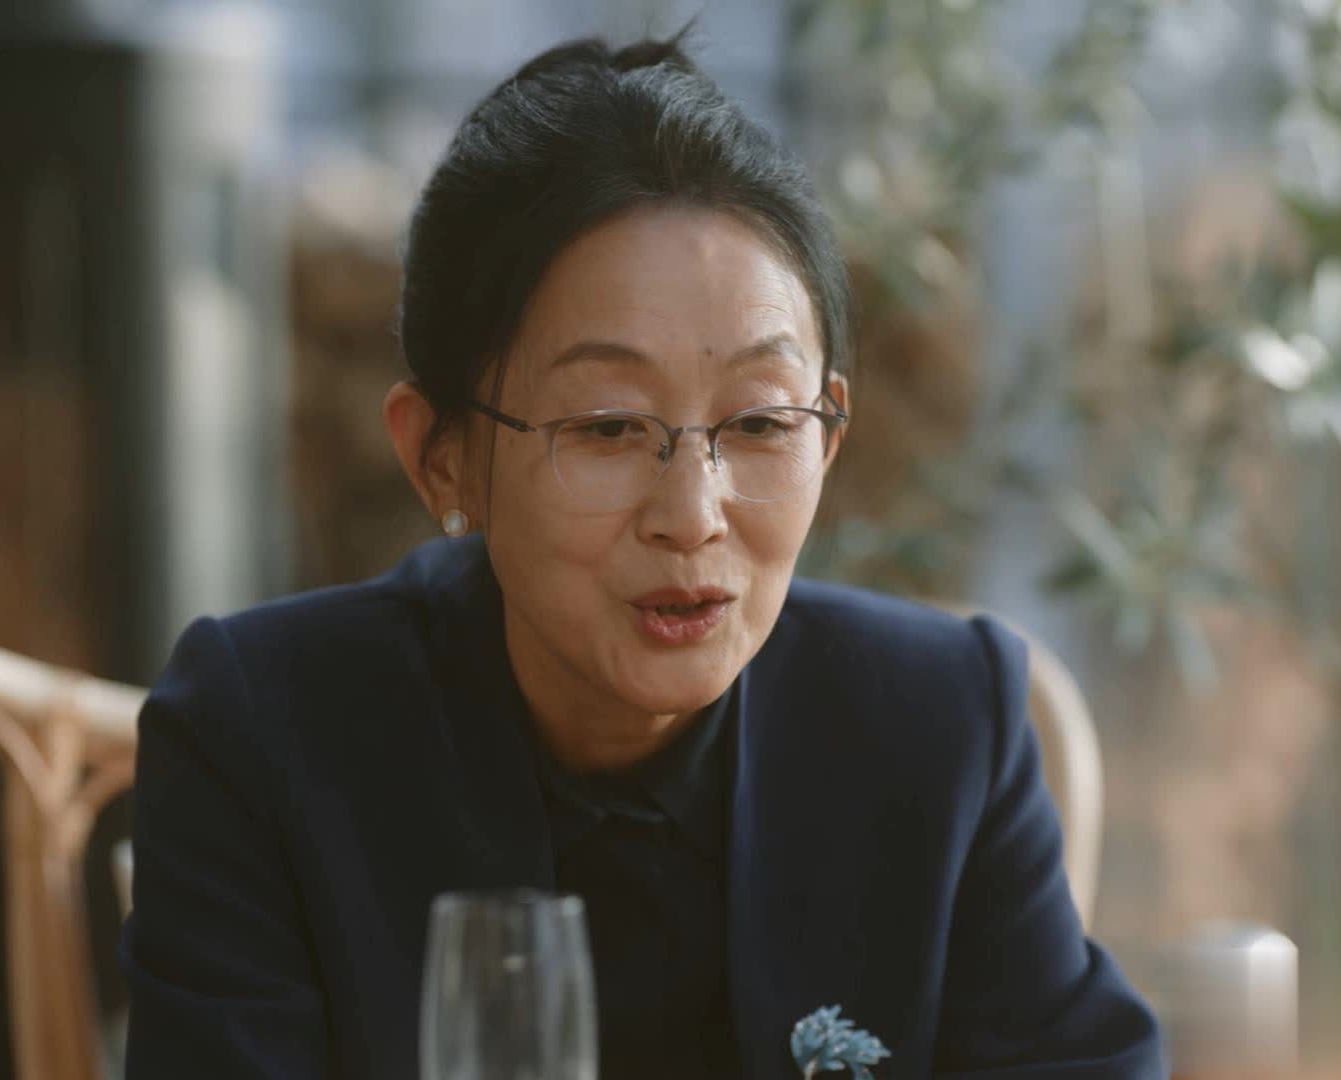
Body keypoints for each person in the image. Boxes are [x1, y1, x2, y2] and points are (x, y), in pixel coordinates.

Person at [120, 31, 1164, 1080]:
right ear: (441, 459)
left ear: (829, 437)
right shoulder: (264, 741)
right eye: (609, 427)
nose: (692, 515)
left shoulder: (942, 728)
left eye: (759, 423)